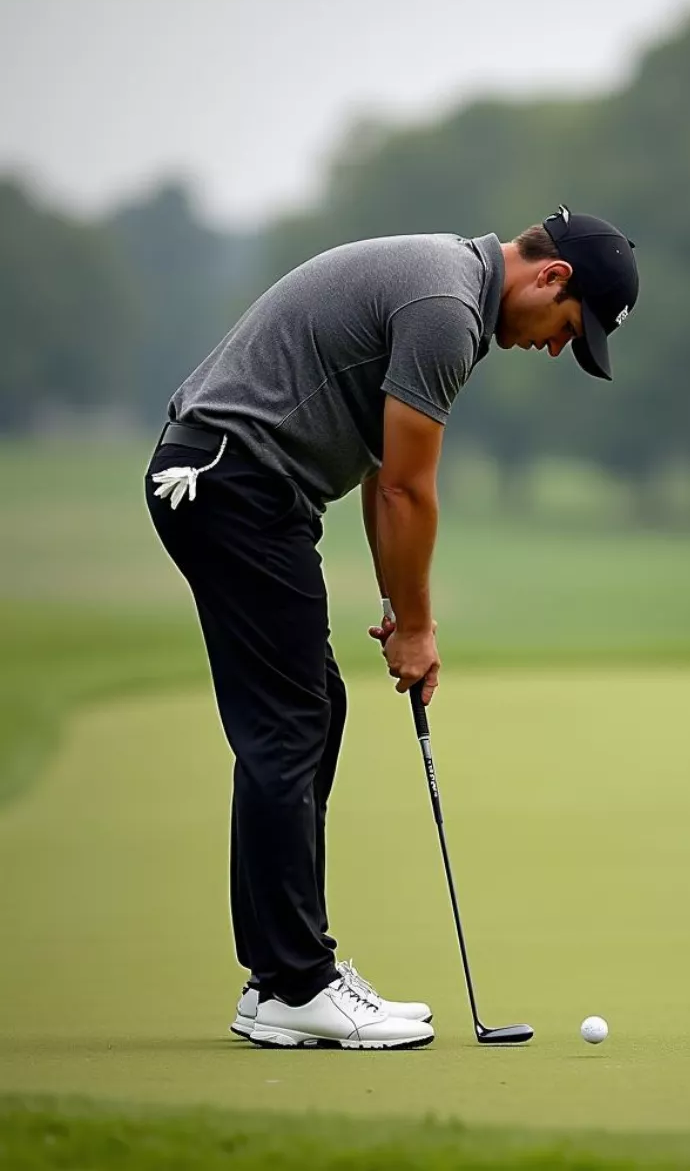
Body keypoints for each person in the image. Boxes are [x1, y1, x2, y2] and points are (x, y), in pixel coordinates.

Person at [144, 206, 639, 1050]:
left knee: (309, 710)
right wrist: (416, 628)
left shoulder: (451, 291)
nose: (560, 346)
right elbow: (410, 488)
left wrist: (396, 607)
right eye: (570, 328)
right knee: (291, 722)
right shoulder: (447, 309)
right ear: (552, 279)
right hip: (229, 483)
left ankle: (282, 978)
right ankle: (297, 983)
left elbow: (380, 472)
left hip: (242, 487)